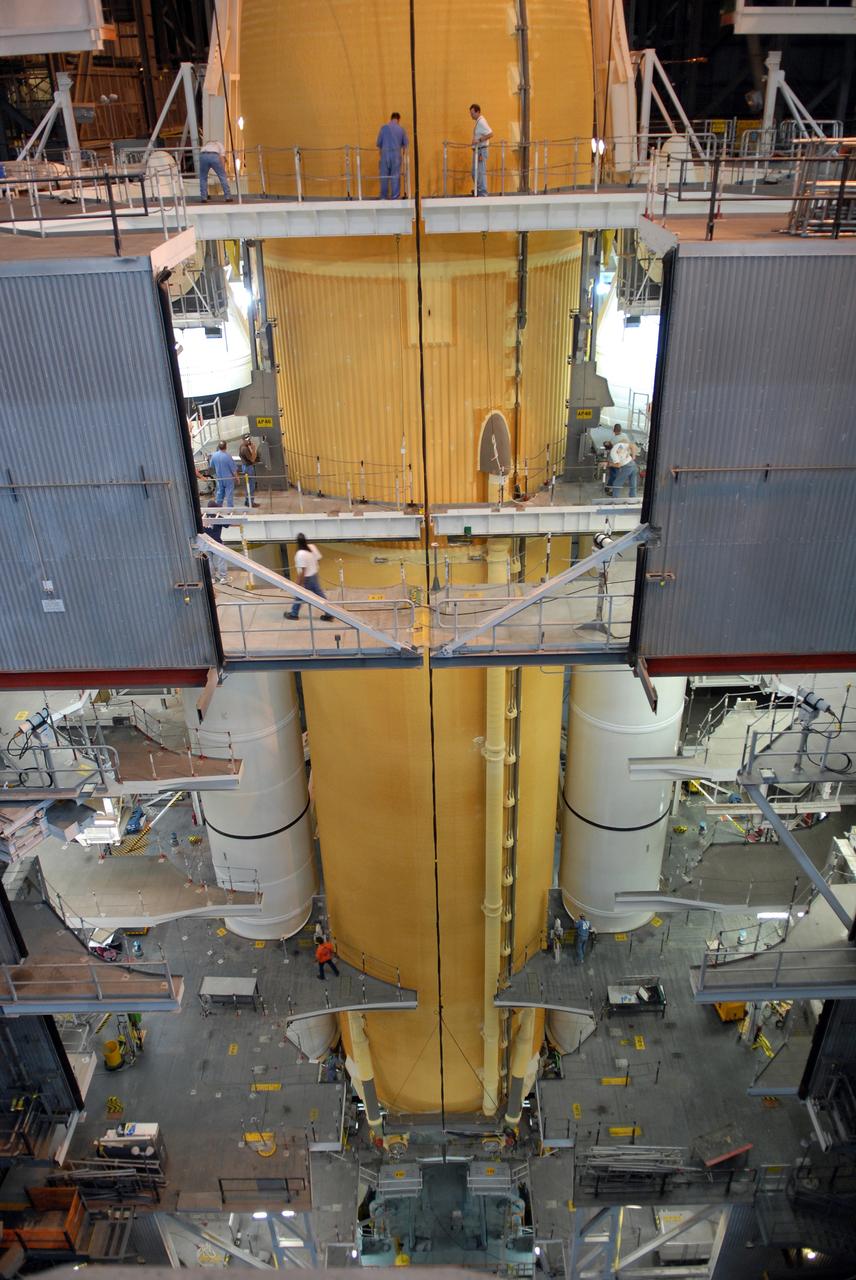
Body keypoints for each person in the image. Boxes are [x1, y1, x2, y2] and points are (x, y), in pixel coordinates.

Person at [285, 532, 333, 621]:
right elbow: (318, 559)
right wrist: (314, 567)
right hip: (314, 575)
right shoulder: (312, 547)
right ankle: (329, 613)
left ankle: (294, 614)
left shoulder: (300, 554)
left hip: (306, 579)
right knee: (320, 595)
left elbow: (303, 571)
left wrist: (298, 583)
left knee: (299, 594)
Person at [376, 112, 408, 200]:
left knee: (384, 176)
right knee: (395, 177)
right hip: (396, 155)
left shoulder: (383, 128)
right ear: (398, 119)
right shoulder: (401, 129)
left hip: (385, 155)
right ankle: (395, 197)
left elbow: (379, 144)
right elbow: (405, 145)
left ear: (391, 118)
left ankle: (383, 197)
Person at [202, 499, 232, 582]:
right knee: (221, 559)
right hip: (217, 542)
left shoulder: (202, 517)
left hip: (206, 543)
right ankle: (223, 577)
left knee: (209, 561)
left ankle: (212, 578)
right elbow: (227, 524)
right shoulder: (218, 517)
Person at [469, 103, 493, 196]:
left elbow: (490, 134)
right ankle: (479, 190)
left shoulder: (482, 122)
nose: (471, 115)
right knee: (475, 172)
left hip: (481, 151)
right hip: (478, 150)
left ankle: (483, 193)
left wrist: (478, 140)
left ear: (478, 112)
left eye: (472, 113)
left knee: (480, 172)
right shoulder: (478, 122)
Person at [608, 434, 639, 499]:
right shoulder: (619, 445)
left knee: (617, 483)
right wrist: (633, 456)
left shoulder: (613, 452)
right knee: (633, 482)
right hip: (633, 464)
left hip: (627, 466)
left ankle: (615, 500)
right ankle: (633, 498)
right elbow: (633, 446)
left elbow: (618, 465)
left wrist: (609, 464)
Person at [211, 441, 238, 507]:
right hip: (228, 479)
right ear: (226, 447)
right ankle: (230, 509)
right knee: (229, 494)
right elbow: (233, 470)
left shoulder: (214, 456)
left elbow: (212, 466)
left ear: (218, 447)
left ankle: (218, 507)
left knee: (220, 493)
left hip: (219, 478)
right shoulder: (228, 456)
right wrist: (237, 478)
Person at [239, 432, 260, 507]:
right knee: (251, 485)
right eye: (247, 440)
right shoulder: (245, 449)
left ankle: (247, 501)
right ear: (243, 440)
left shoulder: (242, 446)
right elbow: (252, 459)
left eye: (249, 439)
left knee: (248, 485)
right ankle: (250, 502)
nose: (249, 441)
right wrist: (253, 449)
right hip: (248, 467)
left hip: (245, 466)